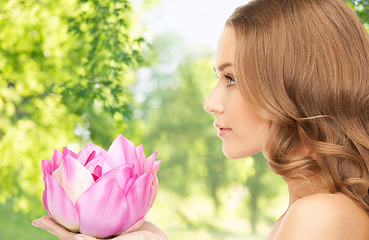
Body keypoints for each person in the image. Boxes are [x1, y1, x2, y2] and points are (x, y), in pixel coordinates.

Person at [33, 0, 369, 239]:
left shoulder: (320, 216)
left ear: (294, 84)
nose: (211, 103)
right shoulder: (312, 210)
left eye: (231, 79)